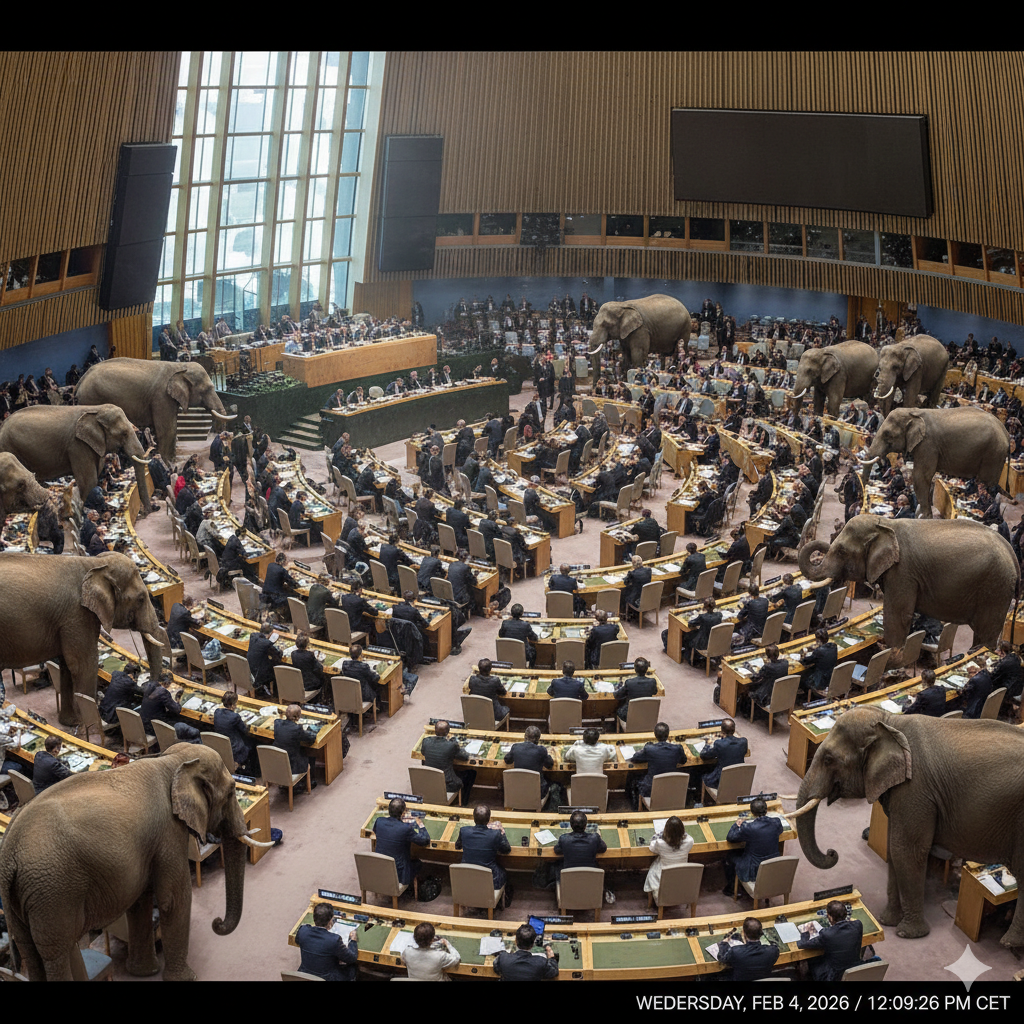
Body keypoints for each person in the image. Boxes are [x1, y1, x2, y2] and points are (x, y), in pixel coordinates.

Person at [722, 797, 785, 896]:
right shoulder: (776, 822)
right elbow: (780, 831)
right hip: (771, 865)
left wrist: (736, 824)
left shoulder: (749, 828)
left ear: (752, 812)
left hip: (753, 869)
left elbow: (730, 837)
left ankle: (732, 888)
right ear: (766, 810)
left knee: (729, 856)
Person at [796, 899, 865, 981]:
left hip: (834, 976)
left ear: (830, 917)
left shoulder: (827, 934)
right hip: (854, 970)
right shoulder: (858, 925)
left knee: (812, 958)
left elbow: (802, 944)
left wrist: (805, 932)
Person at [455, 804, 512, 896]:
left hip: (467, 877)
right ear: (489, 819)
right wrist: (502, 832)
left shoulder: (464, 831)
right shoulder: (495, 834)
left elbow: (457, 846)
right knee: (504, 872)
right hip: (490, 880)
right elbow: (506, 850)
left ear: (474, 818)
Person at [373, 797, 429, 887]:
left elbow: (377, 832)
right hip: (399, 875)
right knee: (418, 863)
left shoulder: (379, 821)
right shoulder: (406, 828)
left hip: (380, 869)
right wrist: (419, 823)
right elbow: (425, 840)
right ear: (403, 813)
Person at [294, 902, 359, 981]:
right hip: (327, 978)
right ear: (330, 921)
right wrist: (353, 941)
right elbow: (352, 958)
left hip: (305, 975)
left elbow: (297, 941)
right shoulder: (334, 940)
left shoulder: (303, 930)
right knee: (352, 968)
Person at [629, 721, 684, 806]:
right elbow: (683, 761)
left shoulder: (649, 749)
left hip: (651, 789)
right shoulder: (677, 748)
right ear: (668, 734)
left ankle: (636, 806)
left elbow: (635, 758)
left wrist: (645, 748)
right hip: (671, 787)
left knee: (633, 777)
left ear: (655, 735)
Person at [421, 719, 476, 802]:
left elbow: (423, 752)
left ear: (435, 731)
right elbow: (465, 757)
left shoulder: (426, 741)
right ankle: (464, 802)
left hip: (430, 781)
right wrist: (454, 742)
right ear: (448, 732)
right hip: (447, 784)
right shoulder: (451, 745)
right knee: (471, 773)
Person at [643, 815, 694, 902]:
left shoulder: (660, 843)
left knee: (652, 868)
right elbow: (686, 837)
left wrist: (658, 835)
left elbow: (652, 847)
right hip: (681, 875)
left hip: (662, 877)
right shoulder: (689, 841)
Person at [503, 725, 555, 805]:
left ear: (525, 736)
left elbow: (507, 760)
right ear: (538, 739)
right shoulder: (541, 750)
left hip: (517, 787)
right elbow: (549, 765)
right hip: (535, 790)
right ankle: (539, 808)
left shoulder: (516, 747)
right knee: (550, 785)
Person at [493, 924, 559, 980]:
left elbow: (496, 969)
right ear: (533, 944)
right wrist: (550, 953)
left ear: (516, 941)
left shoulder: (503, 958)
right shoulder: (541, 962)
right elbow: (554, 972)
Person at [553, 810, 606, 880]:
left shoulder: (564, 839)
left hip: (569, 882)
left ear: (571, 825)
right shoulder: (594, 838)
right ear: (585, 825)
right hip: (591, 880)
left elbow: (557, 850)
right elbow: (603, 848)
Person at [273, 704, 318, 784]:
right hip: (292, 764)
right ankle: (311, 781)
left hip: (277, 761)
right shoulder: (297, 729)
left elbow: (278, 721)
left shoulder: (277, 724)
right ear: (297, 718)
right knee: (311, 754)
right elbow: (311, 738)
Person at [699, 718, 748, 791]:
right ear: (734, 730)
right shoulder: (743, 742)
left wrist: (708, 743)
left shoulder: (719, 744)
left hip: (720, 781)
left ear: (722, 731)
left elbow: (704, 756)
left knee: (701, 775)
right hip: (738, 779)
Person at [213, 690, 254, 770]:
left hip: (221, 745)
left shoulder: (217, 712)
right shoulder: (235, 717)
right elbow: (245, 731)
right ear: (232, 705)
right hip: (235, 749)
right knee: (252, 742)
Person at [341, 643, 387, 714]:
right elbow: (375, 678)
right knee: (377, 686)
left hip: (349, 693)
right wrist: (376, 673)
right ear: (360, 655)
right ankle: (378, 708)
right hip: (363, 695)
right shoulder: (364, 667)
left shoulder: (345, 664)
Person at [613, 656, 656, 725]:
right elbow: (655, 692)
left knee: (619, 707)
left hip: (630, 714)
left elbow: (617, 695)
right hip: (647, 712)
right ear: (647, 669)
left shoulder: (629, 683)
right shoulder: (652, 681)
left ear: (635, 669)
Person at [248, 621, 284, 698]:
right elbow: (277, 655)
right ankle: (275, 695)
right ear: (271, 633)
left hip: (249, 668)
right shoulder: (267, 643)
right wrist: (280, 650)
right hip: (258, 674)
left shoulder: (253, 636)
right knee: (276, 669)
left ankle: (264, 688)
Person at [799, 628, 839, 696]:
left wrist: (803, 655)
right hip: (831, 676)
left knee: (802, 678)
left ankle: (808, 696)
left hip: (820, 681)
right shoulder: (834, 647)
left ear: (818, 640)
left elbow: (806, 662)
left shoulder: (819, 651)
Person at [498, 603, 539, 668]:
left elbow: (500, 635)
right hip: (522, 653)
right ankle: (531, 669)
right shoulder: (525, 625)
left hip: (507, 651)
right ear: (522, 614)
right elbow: (534, 638)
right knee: (533, 651)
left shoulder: (505, 623)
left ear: (511, 613)